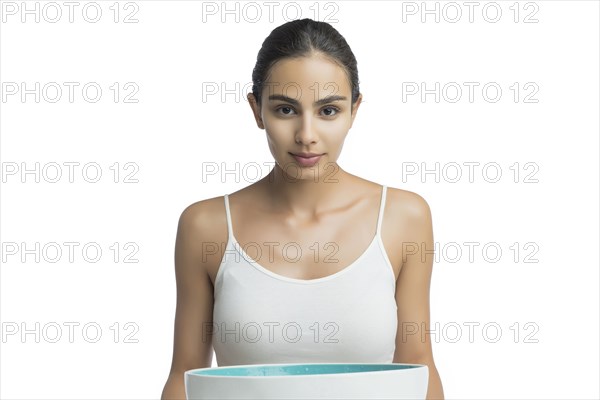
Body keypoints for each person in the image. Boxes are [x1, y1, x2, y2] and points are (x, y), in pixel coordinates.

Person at [161, 18, 444, 399]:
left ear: (354, 111)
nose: (307, 135)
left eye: (328, 111)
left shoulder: (403, 218)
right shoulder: (206, 226)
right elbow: (184, 377)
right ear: (257, 111)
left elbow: (418, 368)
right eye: (285, 110)